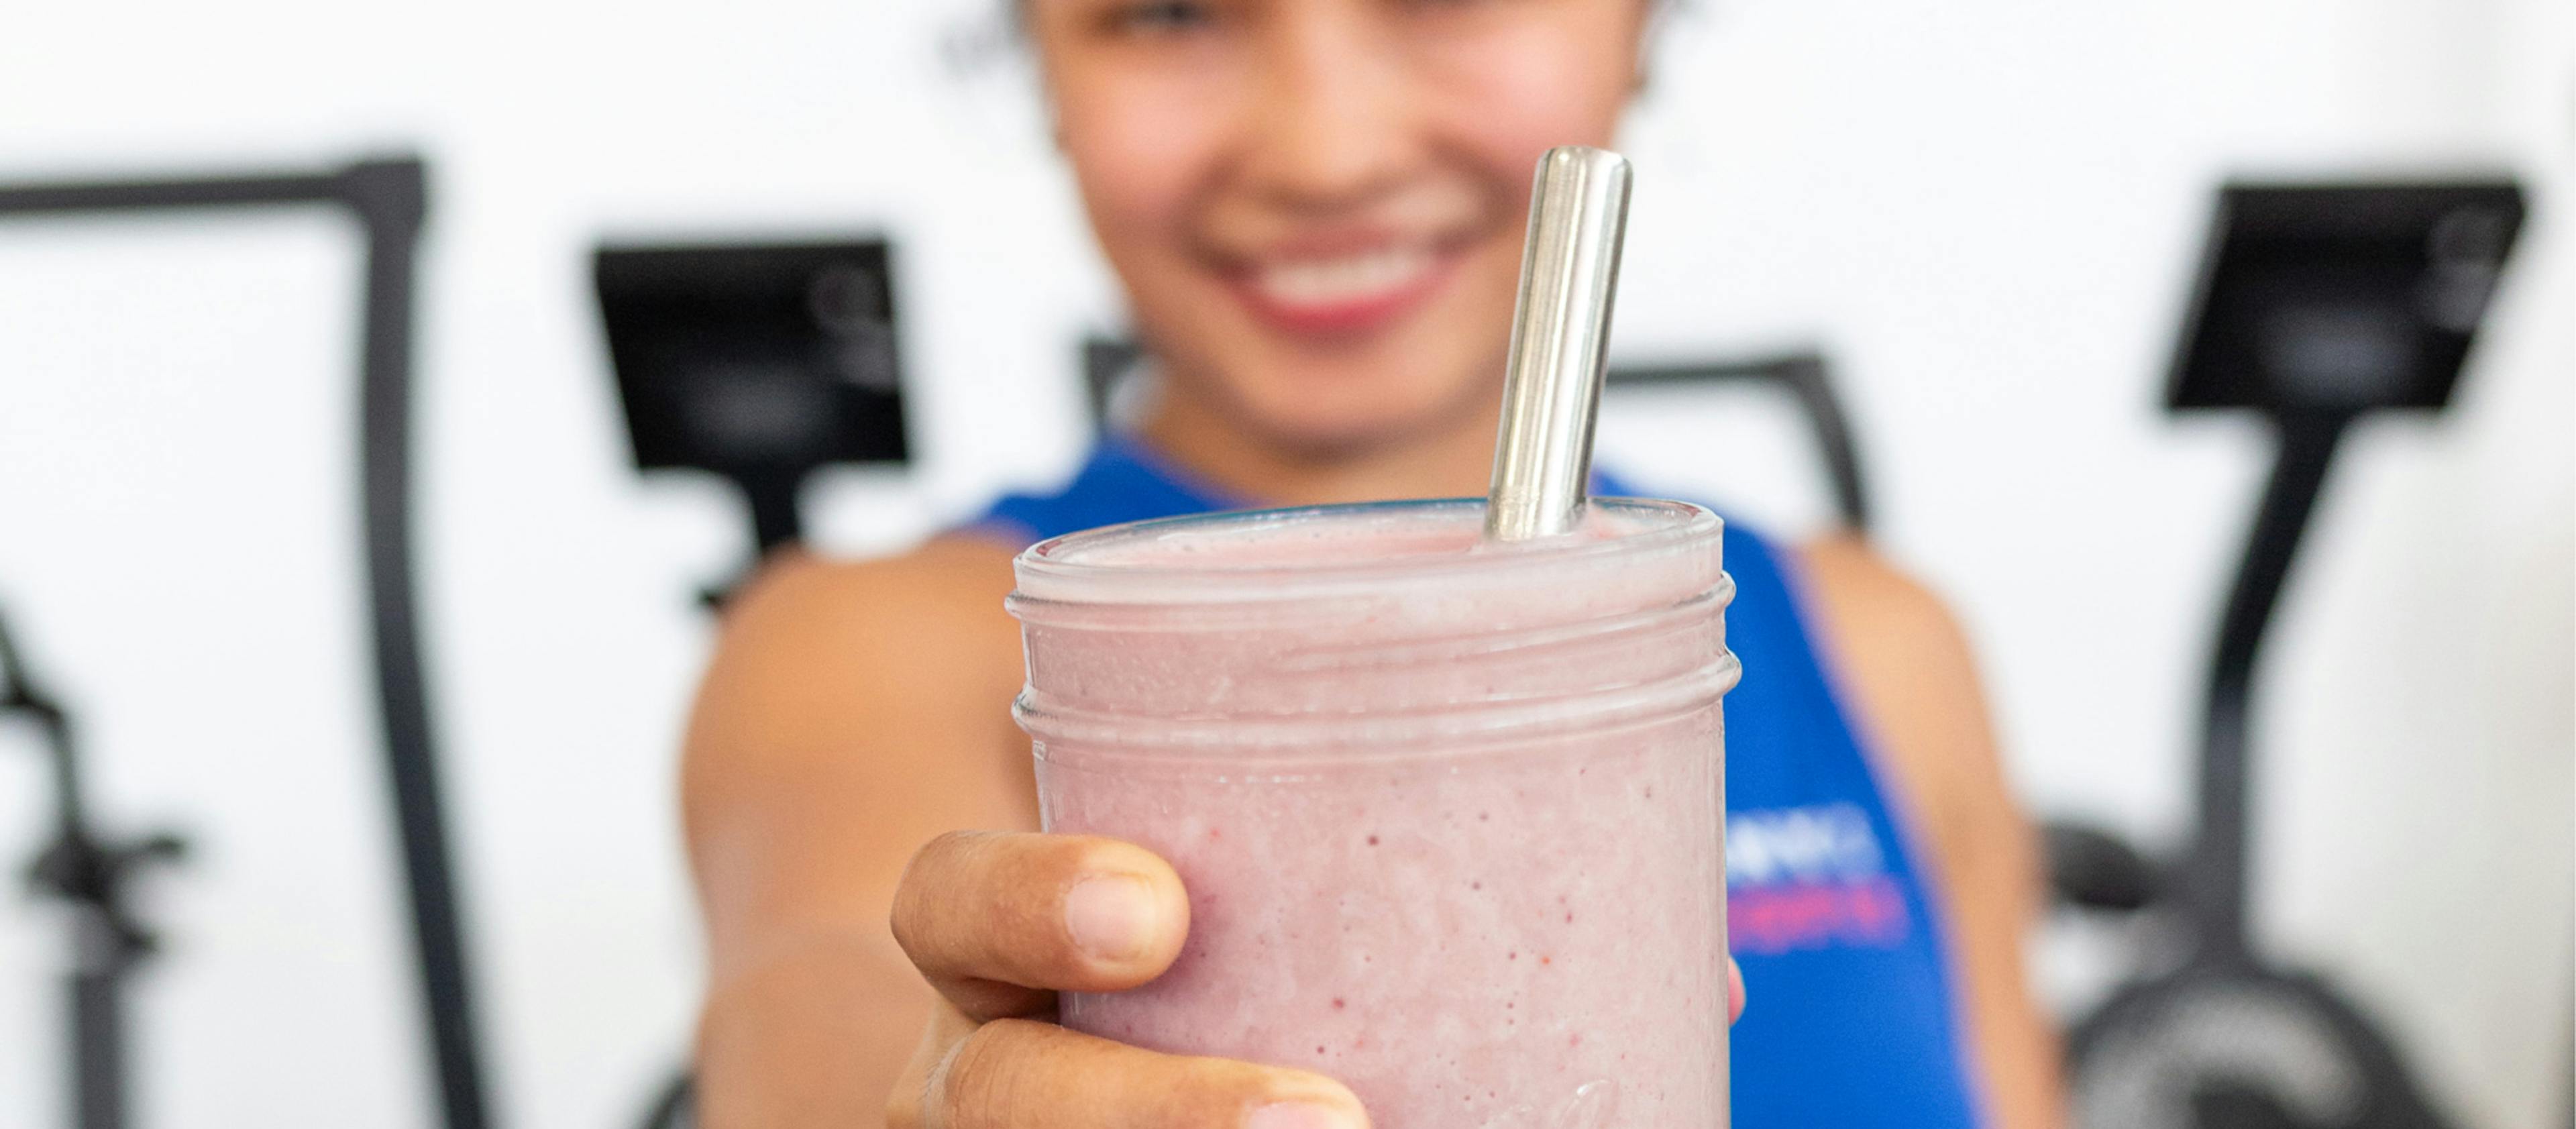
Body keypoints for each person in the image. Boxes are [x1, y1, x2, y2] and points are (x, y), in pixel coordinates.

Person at [682, 0, 2065, 1125]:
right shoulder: (869, 653)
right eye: (1167, 14)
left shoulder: (1880, 645)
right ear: (1041, 65)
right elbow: (825, 1002)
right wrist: (913, 1101)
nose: (1324, 150)